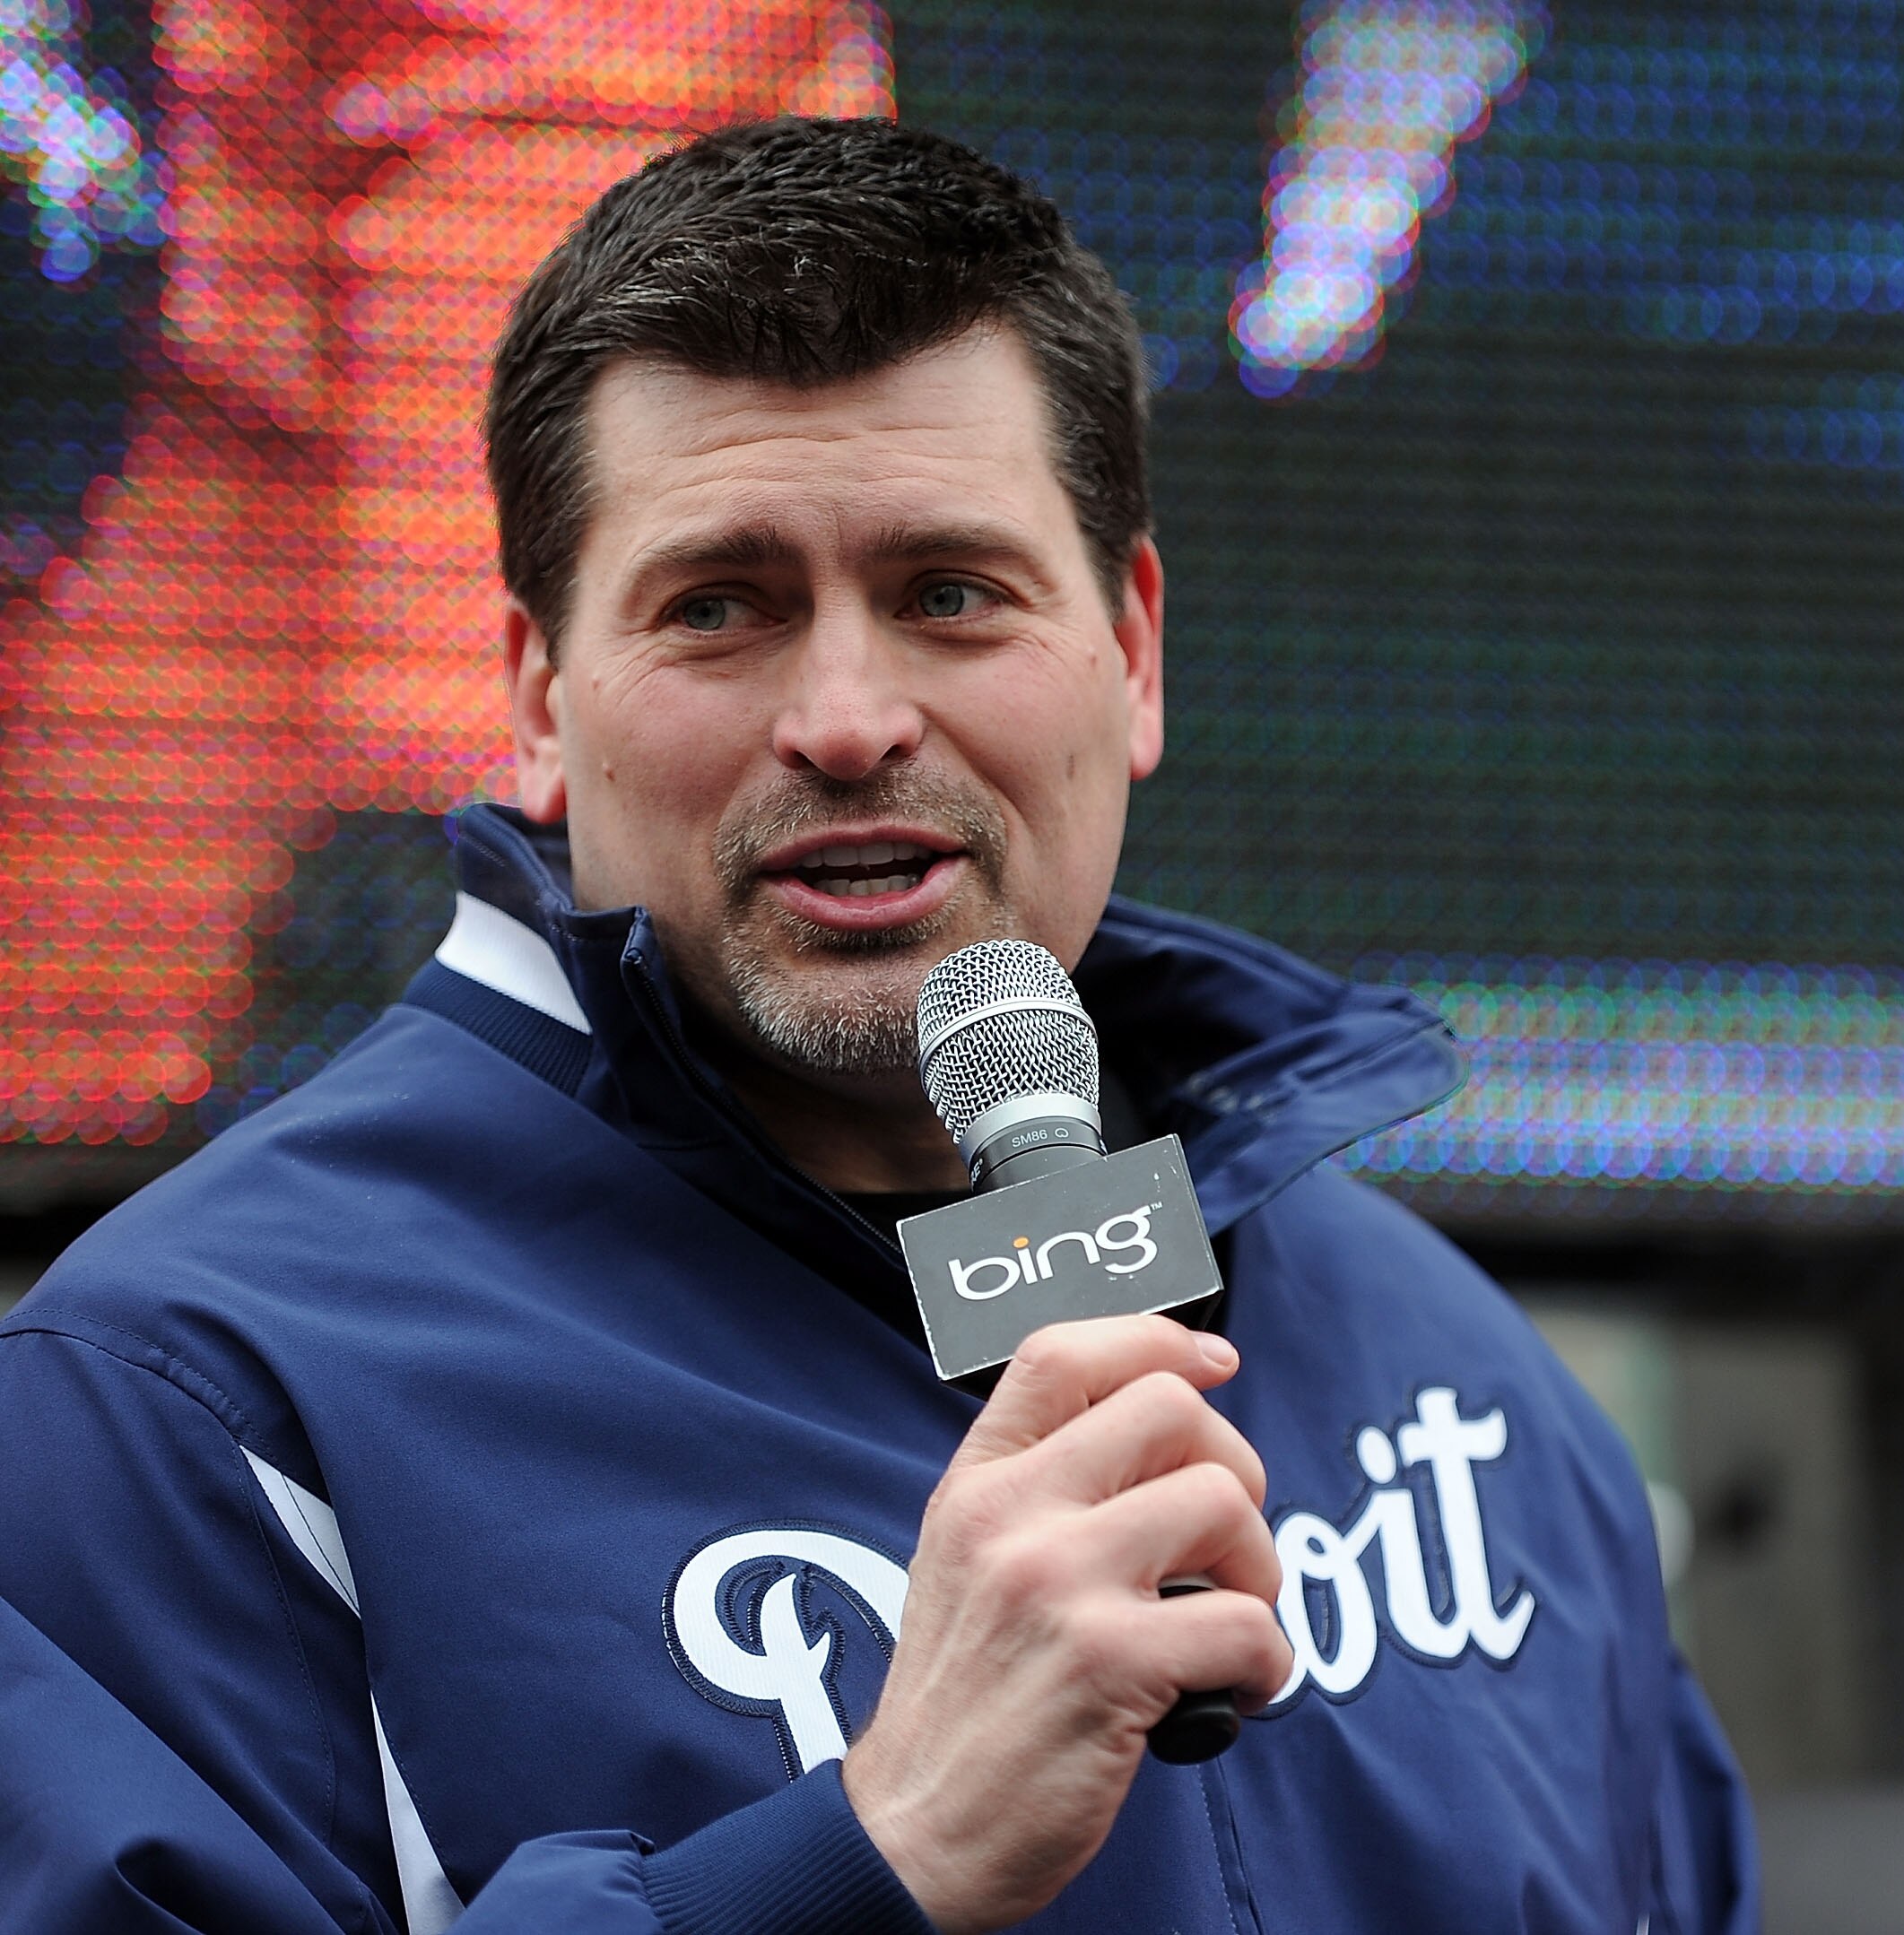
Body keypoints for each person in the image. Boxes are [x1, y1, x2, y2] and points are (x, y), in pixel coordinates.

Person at [0, 117, 1758, 1934]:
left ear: (1134, 651)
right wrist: (865, 1853)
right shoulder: (190, 1405)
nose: (848, 717)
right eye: (721, 607)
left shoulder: (1461, 1386)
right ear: (533, 695)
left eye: (949, 593)